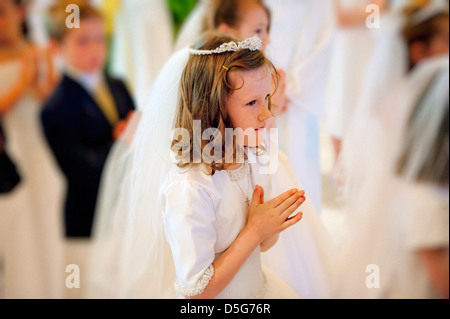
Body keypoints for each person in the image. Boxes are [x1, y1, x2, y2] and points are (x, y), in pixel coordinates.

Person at [41, 2, 135, 297]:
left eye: (100, 39)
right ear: (57, 47)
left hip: (125, 215)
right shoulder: (55, 107)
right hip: (88, 223)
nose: (95, 49)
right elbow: (80, 168)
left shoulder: (118, 85)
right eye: (82, 41)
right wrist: (120, 143)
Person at [0, 0, 65, 298]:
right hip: (7, 154)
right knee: (15, 229)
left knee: (46, 222)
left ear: (20, 13)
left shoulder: (38, 54)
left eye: (2, 12)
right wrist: (19, 85)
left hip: (39, 150)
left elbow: (51, 103)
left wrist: (45, 87)